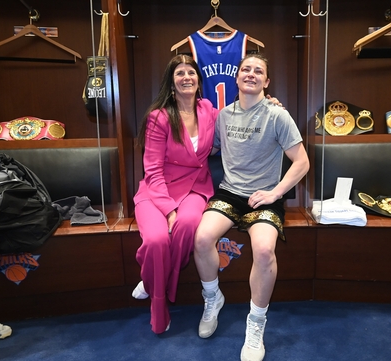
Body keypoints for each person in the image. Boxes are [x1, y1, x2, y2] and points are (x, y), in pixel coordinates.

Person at [193, 53, 309, 361]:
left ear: (266, 82)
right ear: (237, 76)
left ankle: (256, 323)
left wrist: (276, 193)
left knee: (263, 251)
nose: (251, 74)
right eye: (246, 69)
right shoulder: (223, 115)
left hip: (264, 196)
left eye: (258, 71)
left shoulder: (277, 115)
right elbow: (210, 146)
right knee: (202, 239)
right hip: (230, 193)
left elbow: (302, 162)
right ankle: (212, 298)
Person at [132, 54, 218, 334]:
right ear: (171, 84)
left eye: (191, 73)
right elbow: (152, 170)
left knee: (189, 224)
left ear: (198, 80)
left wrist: (270, 103)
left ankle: (152, 283)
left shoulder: (209, 110)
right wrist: (169, 210)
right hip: (158, 190)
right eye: (179, 73)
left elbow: (241, 116)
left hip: (195, 186)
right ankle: (158, 302)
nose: (186, 78)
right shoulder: (158, 117)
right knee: (157, 240)